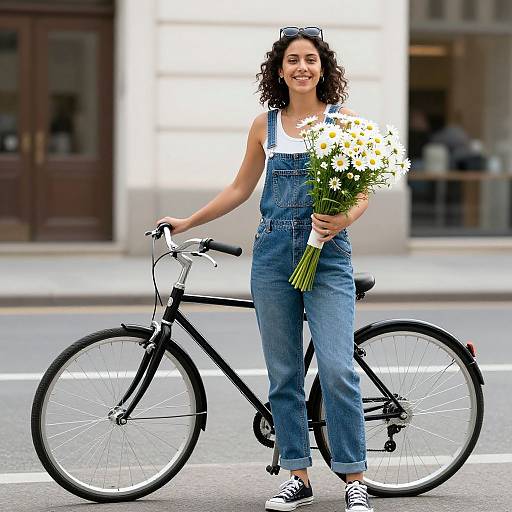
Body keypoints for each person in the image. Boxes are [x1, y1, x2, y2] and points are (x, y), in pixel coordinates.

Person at [157, 26, 372, 512]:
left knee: (338, 369)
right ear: (280, 70)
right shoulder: (265, 125)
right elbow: (240, 189)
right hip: (272, 256)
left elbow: (362, 189)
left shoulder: (343, 122)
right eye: (293, 60)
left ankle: (355, 478)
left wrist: (345, 217)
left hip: (328, 256)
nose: (302, 67)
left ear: (324, 68)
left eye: (311, 60)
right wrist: (189, 220)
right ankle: (299, 475)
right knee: (283, 374)